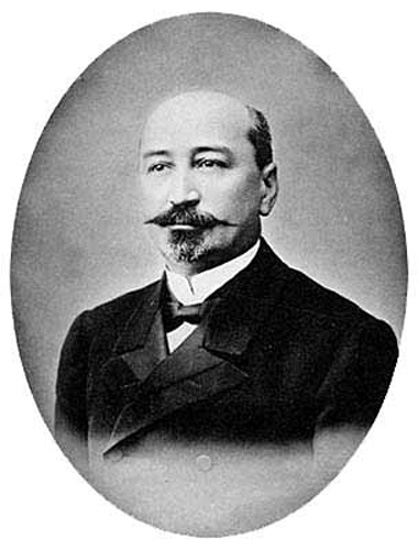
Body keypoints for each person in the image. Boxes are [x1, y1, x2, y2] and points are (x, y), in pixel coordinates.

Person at [54, 90, 398, 535]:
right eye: (159, 167)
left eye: (209, 164)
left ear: (266, 187)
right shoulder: (94, 335)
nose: (181, 195)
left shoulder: (349, 344)